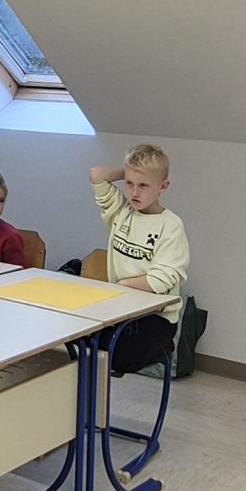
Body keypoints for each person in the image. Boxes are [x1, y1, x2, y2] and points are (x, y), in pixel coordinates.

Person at [87, 146, 189, 374]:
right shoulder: (121, 211)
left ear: (163, 186)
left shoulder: (171, 225)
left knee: (115, 355)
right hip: (120, 308)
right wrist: (131, 171)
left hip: (156, 317)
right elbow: (96, 175)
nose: (134, 192)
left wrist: (121, 286)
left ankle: (163, 348)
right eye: (129, 183)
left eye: (143, 185)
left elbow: (160, 281)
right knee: (80, 341)